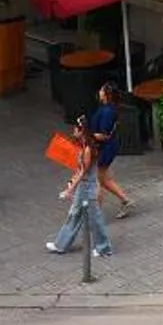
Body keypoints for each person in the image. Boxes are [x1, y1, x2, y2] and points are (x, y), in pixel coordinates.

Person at [48, 119, 114, 260]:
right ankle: (61, 244)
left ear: (81, 131)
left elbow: (83, 171)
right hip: (84, 187)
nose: (73, 131)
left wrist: (70, 189)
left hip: (88, 188)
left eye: (76, 129)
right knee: (75, 214)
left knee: (94, 218)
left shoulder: (88, 150)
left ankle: (104, 248)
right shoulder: (85, 146)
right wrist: (72, 184)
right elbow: (80, 170)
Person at [88, 81, 134, 213]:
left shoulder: (107, 111)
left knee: (100, 179)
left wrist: (88, 135)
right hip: (106, 147)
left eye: (101, 90)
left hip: (105, 148)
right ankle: (125, 200)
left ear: (106, 94)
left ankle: (96, 214)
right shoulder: (106, 107)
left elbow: (104, 135)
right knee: (104, 178)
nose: (99, 92)